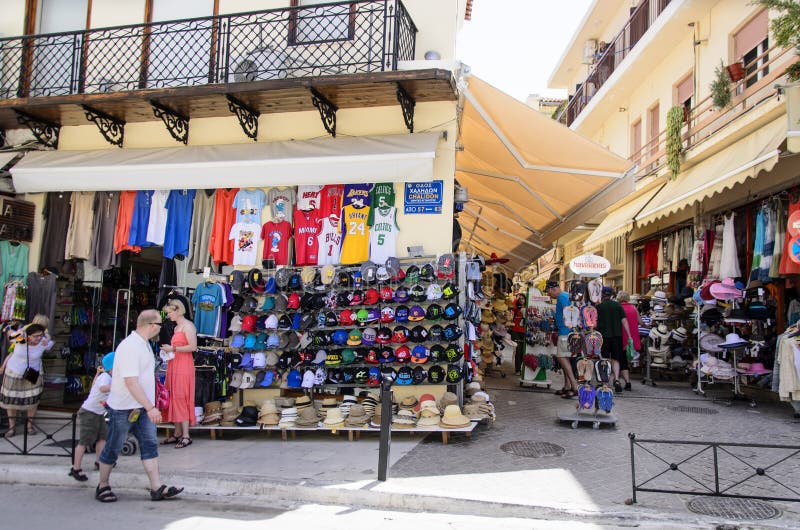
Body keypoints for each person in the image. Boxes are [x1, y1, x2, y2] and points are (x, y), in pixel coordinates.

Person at [95, 309, 183, 503]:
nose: (161, 328)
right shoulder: (130, 347)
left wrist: (149, 406)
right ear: (151, 325)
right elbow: (131, 382)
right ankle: (103, 484)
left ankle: (156, 486)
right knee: (114, 446)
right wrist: (151, 407)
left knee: (149, 444)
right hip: (123, 408)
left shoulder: (143, 345)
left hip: (142, 407)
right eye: (160, 324)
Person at [0, 323, 52, 437]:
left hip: (32, 373)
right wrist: (15, 331)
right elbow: (9, 334)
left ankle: (29, 426)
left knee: (32, 401)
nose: (38, 338)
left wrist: (47, 338)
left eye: (40, 335)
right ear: (28, 336)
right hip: (15, 371)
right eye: (35, 336)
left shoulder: (42, 342)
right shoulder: (21, 340)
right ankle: (11, 427)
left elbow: (50, 341)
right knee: (11, 401)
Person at [70, 351, 114, 481]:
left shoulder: (105, 376)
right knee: (84, 441)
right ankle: (76, 468)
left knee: (102, 438)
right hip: (89, 412)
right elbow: (102, 388)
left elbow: (94, 386)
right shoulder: (106, 377)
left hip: (99, 412)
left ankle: (99, 462)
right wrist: (118, 385)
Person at [159, 299, 197, 449]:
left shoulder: (188, 326)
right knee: (173, 396)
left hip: (183, 365)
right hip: (174, 363)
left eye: (169, 313)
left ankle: (186, 435)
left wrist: (173, 349)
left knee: (181, 396)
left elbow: (193, 347)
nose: (168, 316)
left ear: (177, 310)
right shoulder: (177, 328)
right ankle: (178, 432)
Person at [596, 286, 633, 393]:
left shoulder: (599, 307)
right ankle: (616, 379)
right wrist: (629, 335)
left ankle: (605, 382)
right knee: (616, 359)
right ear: (612, 294)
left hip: (603, 336)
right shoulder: (618, 305)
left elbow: (594, 322)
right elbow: (624, 321)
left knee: (604, 359)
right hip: (617, 336)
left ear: (602, 294)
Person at [546, 281, 578, 399]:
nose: (549, 295)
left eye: (549, 292)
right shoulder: (564, 296)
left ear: (553, 289)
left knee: (561, 357)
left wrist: (566, 326)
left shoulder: (562, 297)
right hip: (565, 330)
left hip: (565, 331)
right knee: (566, 359)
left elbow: (568, 311)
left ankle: (574, 386)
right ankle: (567, 386)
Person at [618, 291, 644, 374]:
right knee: (630, 351)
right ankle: (629, 368)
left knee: (621, 353)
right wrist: (646, 326)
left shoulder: (618, 307)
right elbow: (640, 322)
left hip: (622, 332)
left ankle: (623, 369)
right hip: (632, 333)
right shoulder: (633, 307)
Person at [510, 293, 528, 374]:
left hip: (525, 332)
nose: (521, 300)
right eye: (520, 299)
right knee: (518, 350)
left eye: (523, 299)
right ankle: (518, 369)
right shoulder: (516, 308)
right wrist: (516, 299)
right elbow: (511, 307)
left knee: (523, 351)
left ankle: (522, 369)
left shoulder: (528, 308)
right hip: (516, 331)